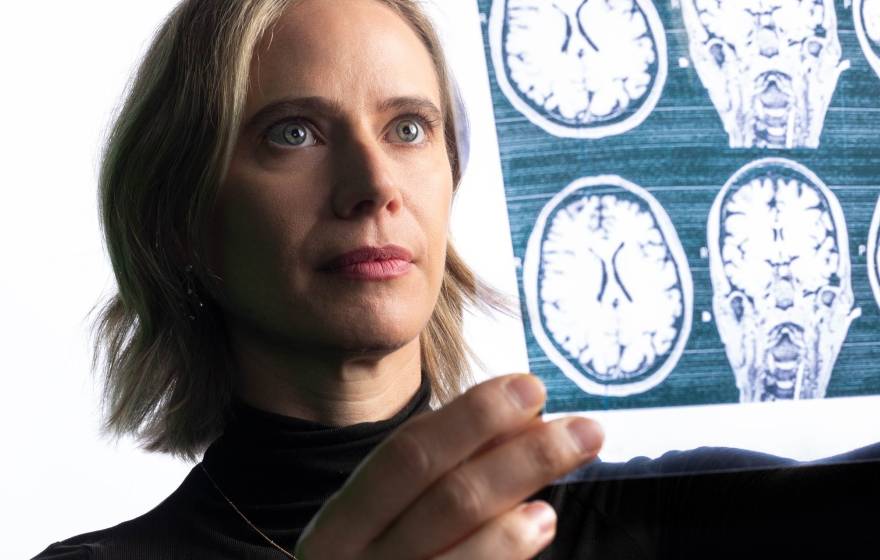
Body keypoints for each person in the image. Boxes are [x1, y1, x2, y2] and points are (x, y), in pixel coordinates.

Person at [33, 0, 880, 559]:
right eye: (293, 134)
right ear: (181, 220)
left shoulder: (642, 522)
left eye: (407, 127)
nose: (374, 184)